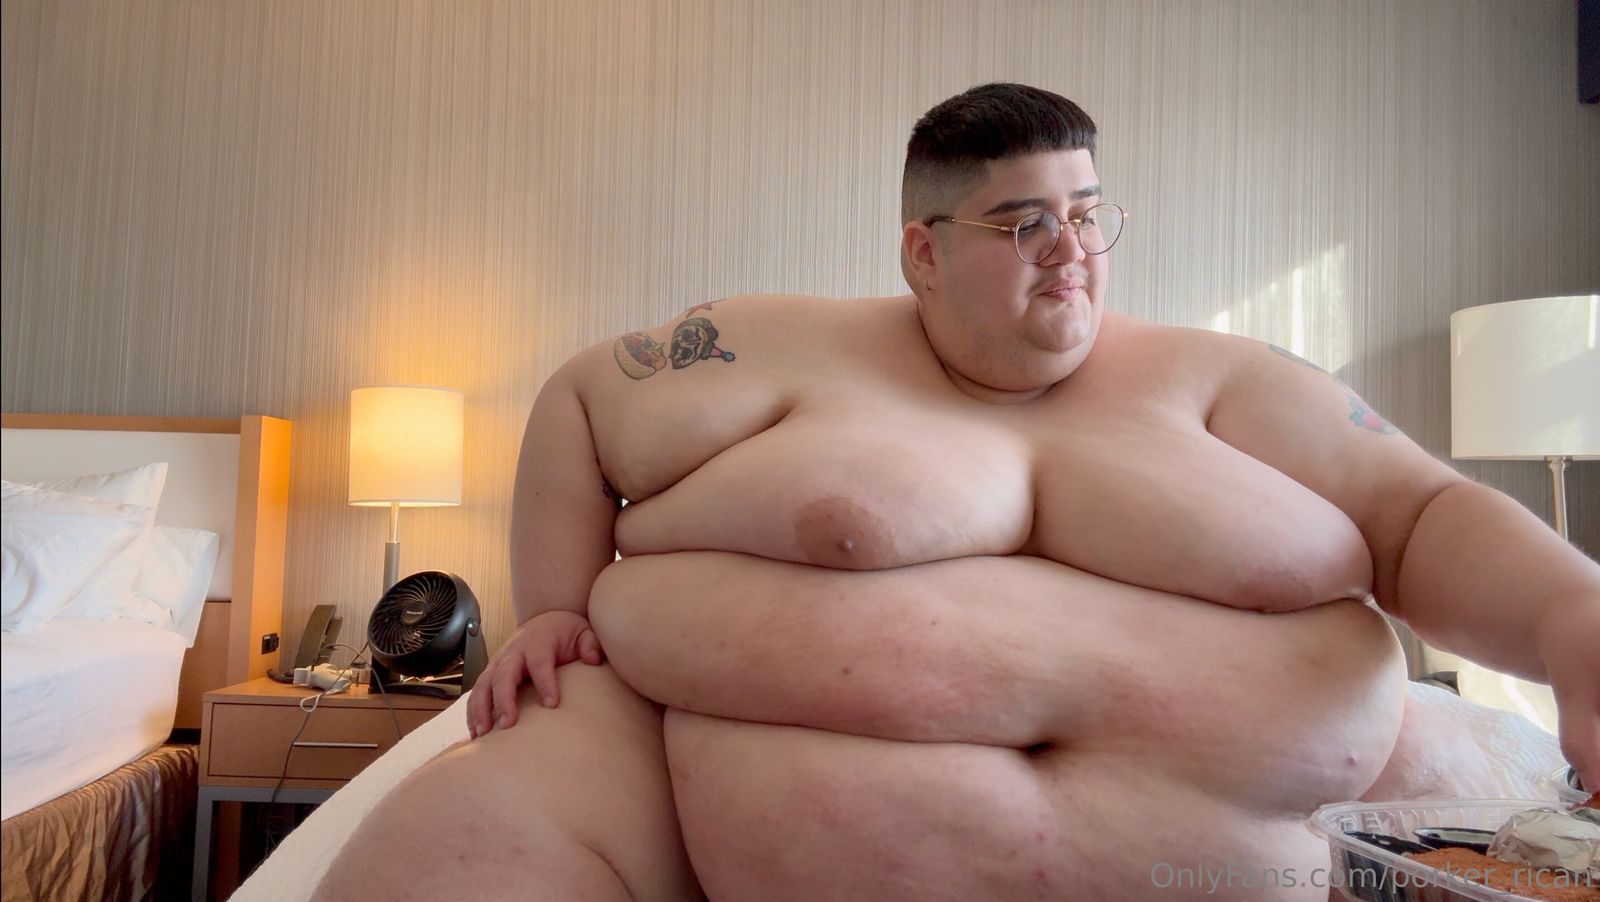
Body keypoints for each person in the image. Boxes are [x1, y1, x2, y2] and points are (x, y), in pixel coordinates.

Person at [320, 83, 1600, 901]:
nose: (1072, 252)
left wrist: (1570, 617)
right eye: (1023, 223)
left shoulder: (1227, 381)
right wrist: (551, 606)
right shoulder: (772, 349)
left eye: (1088, 214)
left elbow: (1420, 514)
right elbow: (579, 397)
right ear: (923, 252)